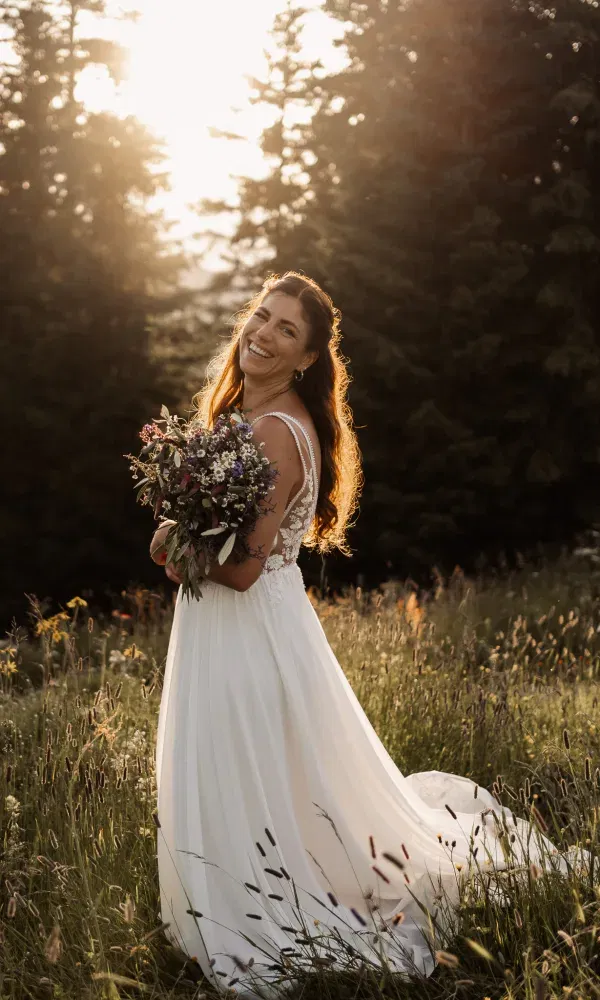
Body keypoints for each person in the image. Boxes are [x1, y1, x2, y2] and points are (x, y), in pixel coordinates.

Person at [151, 272, 579, 999]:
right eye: (262, 316)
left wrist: (168, 547)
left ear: (308, 358)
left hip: (250, 628)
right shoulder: (236, 419)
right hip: (231, 628)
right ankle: (235, 879)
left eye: (287, 330)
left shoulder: (280, 431)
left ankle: (261, 898)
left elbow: (246, 568)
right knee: (259, 766)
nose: (264, 333)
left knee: (250, 763)